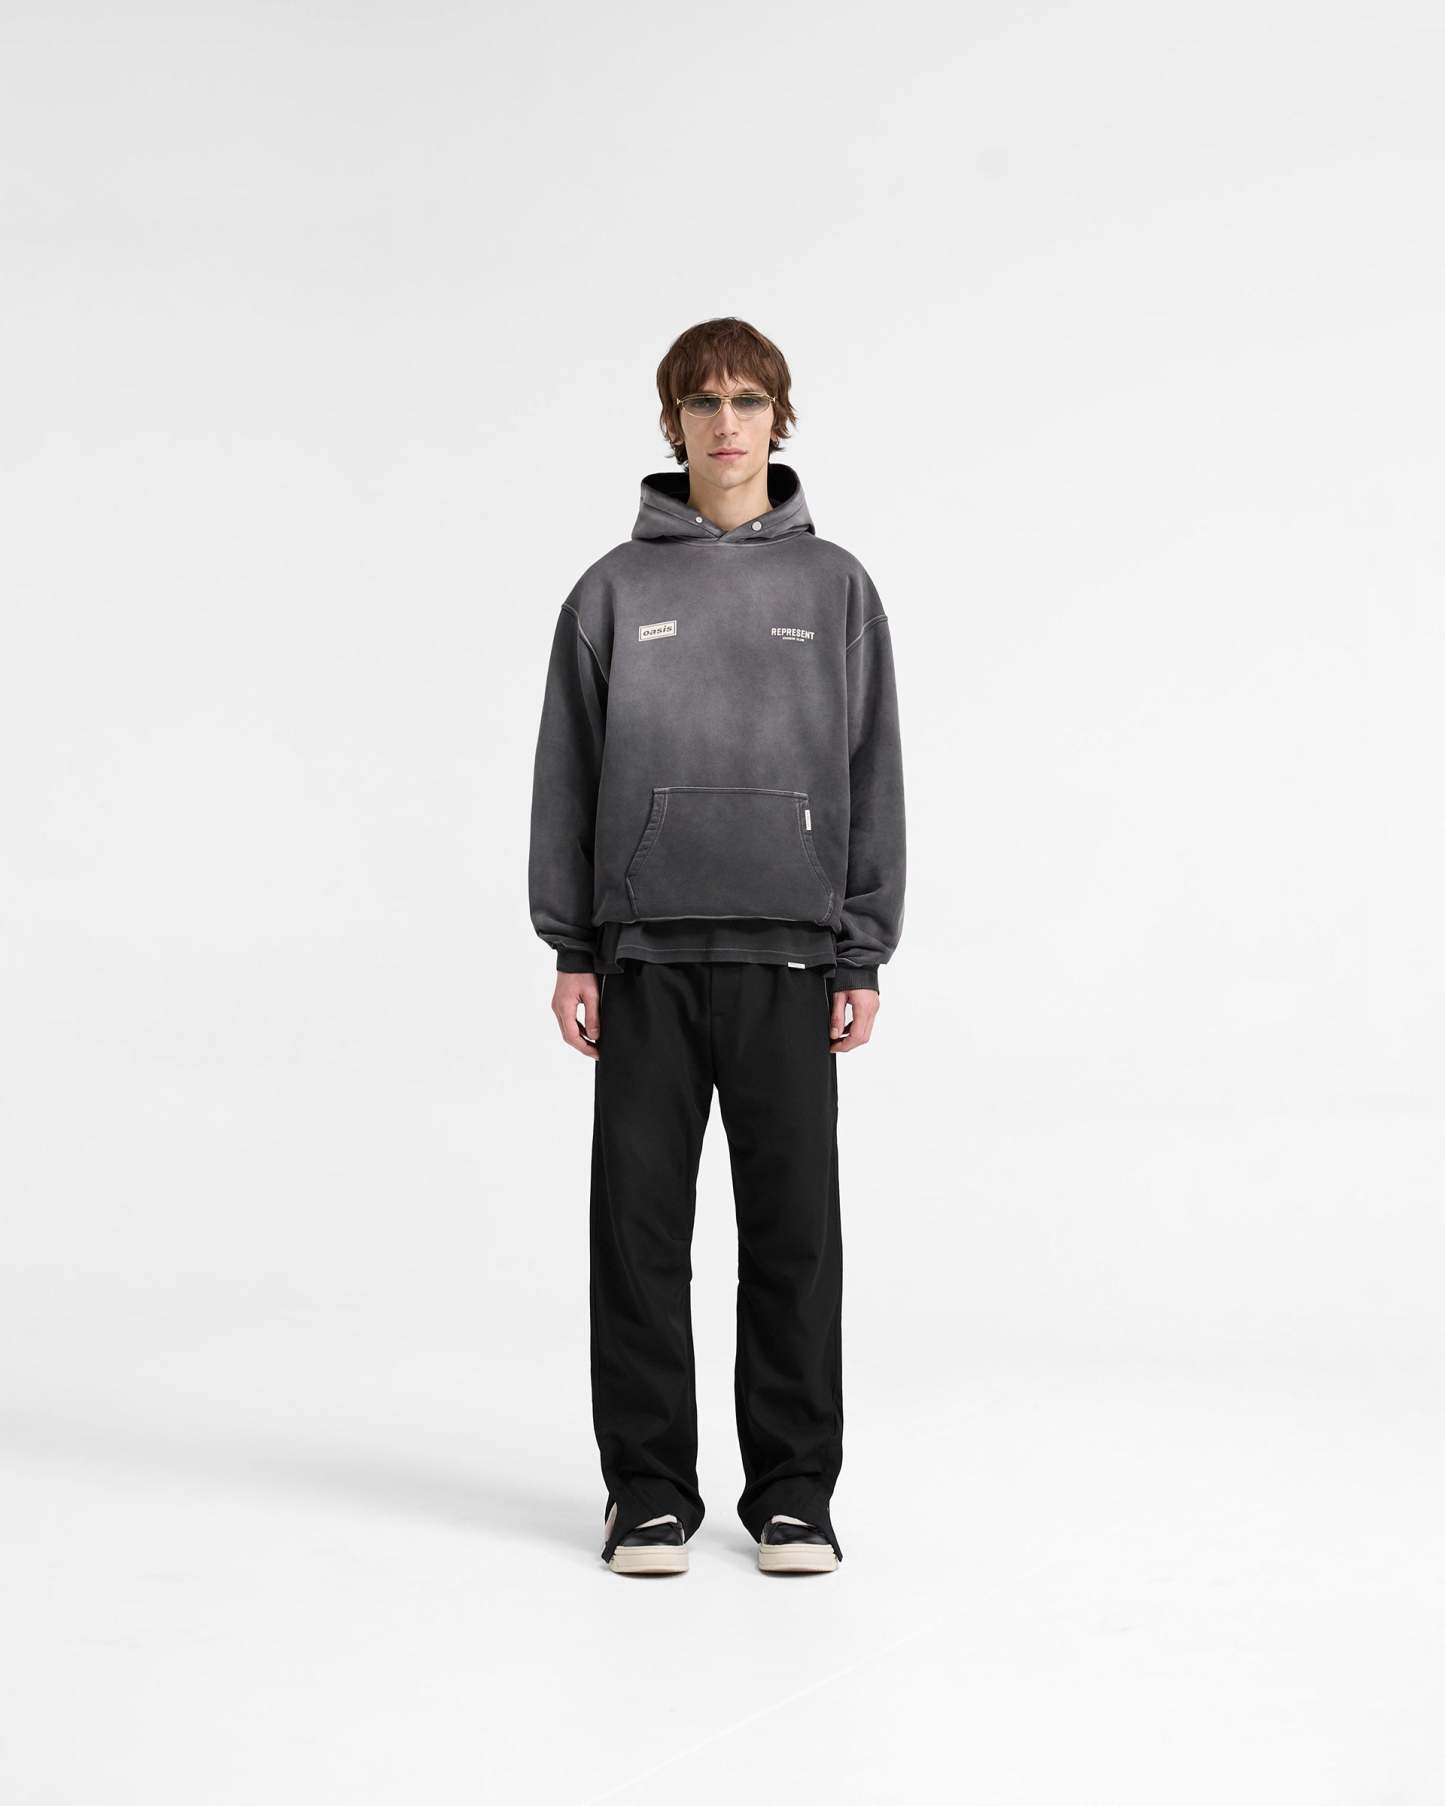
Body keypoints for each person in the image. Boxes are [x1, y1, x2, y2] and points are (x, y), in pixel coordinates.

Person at [527, 316, 906, 1577]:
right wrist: (571, 949)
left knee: (792, 1238)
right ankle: (647, 1495)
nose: (726, 423)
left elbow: (871, 771)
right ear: (673, 423)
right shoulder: (612, 592)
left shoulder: (833, 587)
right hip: (641, 962)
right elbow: (567, 777)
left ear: (778, 418)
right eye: (703, 403)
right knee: (637, 1236)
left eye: (748, 400)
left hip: (789, 962)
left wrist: (859, 951)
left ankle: (792, 1495)